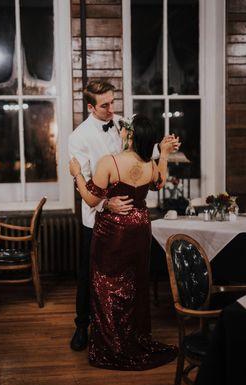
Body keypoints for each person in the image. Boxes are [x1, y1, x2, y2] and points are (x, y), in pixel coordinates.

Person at [68, 79, 180, 351]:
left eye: (112, 101)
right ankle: (83, 326)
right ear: (91, 106)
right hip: (97, 216)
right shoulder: (78, 137)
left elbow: (144, 155)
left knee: (128, 276)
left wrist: (162, 150)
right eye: (104, 105)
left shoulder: (123, 124)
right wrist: (107, 205)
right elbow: (82, 179)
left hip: (127, 217)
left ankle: (120, 329)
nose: (111, 109)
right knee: (89, 274)